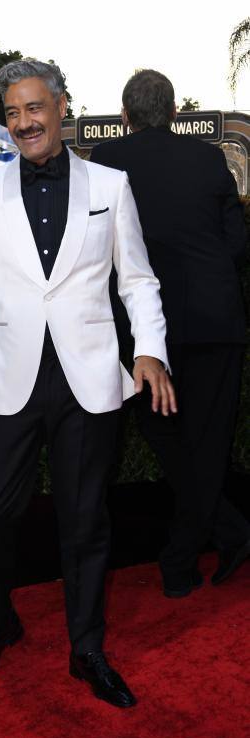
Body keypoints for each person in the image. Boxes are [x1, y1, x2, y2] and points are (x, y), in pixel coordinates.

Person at [0, 59, 175, 709]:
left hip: (85, 378)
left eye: (33, 108)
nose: (23, 122)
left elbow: (135, 280)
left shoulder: (110, 185)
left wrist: (149, 351)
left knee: (85, 522)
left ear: (60, 107)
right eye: (12, 113)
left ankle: (87, 648)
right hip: (9, 377)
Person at [90, 69, 250, 597]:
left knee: (166, 436)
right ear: (176, 113)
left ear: (124, 116)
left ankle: (190, 553)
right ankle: (223, 536)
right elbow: (236, 241)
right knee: (207, 442)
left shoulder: (106, 162)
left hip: (142, 330)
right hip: (212, 319)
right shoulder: (208, 159)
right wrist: (202, 278)